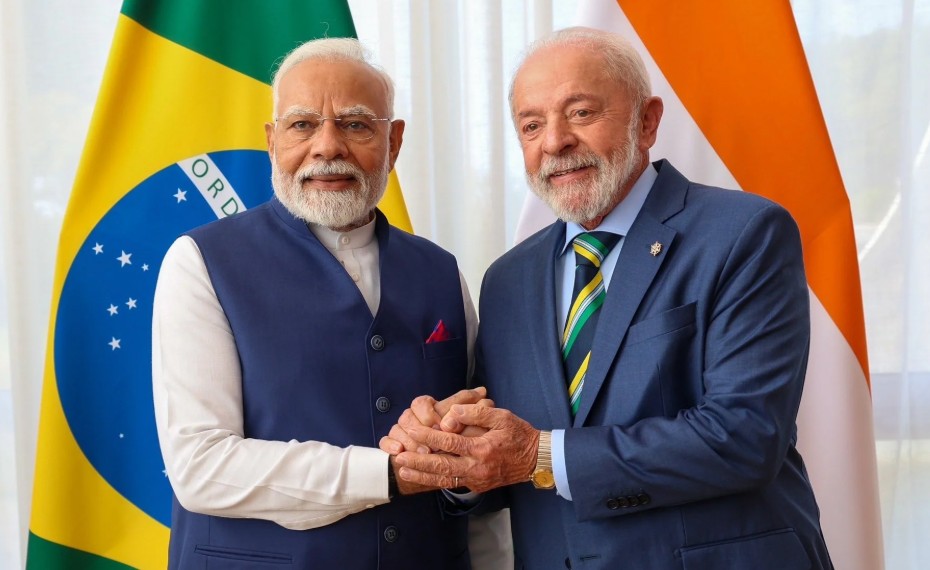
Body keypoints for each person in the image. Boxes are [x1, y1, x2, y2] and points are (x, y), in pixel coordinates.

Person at [383, 27, 834, 569]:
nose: (555, 142)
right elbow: (509, 461)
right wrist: (453, 454)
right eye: (531, 125)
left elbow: (746, 436)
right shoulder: (507, 280)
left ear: (647, 122)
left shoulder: (745, 233)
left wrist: (538, 455)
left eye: (580, 113)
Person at [152, 37, 510, 569]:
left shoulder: (442, 271)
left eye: (355, 124)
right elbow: (200, 466)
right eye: (302, 124)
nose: (327, 146)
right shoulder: (200, 262)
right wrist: (385, 475)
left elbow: (478, 462)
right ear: (272, 141)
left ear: (394, 141)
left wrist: (463, 468)